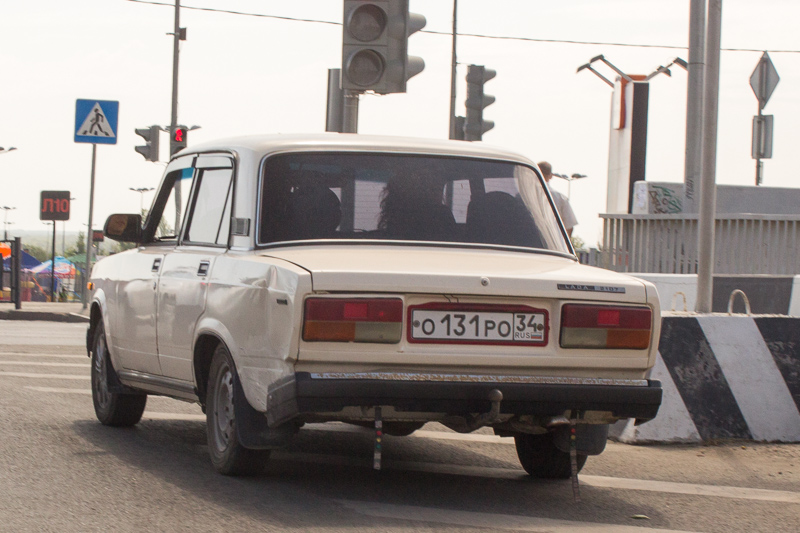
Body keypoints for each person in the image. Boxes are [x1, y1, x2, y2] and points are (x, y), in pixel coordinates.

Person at [538, 161, 578, 237]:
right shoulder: (561, 198)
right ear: (551, 176)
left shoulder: (523, 195)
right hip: (552, 243)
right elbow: (569, 226)